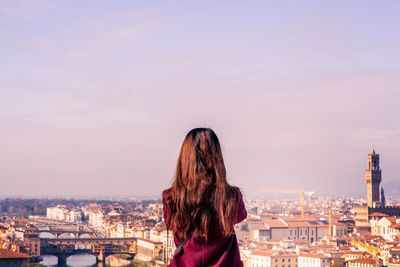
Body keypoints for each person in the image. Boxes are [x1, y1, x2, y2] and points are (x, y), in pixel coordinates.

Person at [162, 128, 247, 266]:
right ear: (217, 157)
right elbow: (240, 217)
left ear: (185, 158)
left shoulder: (171, 197)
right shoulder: (232, 196)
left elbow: (172, 226)